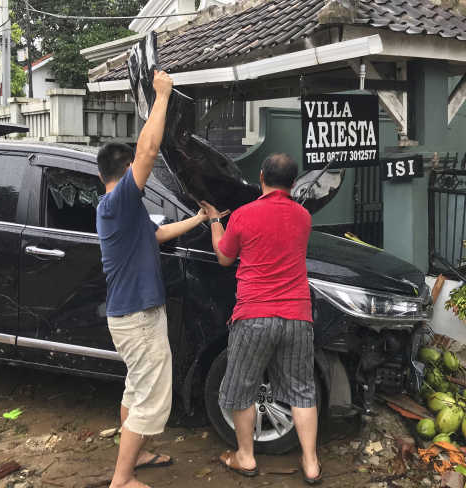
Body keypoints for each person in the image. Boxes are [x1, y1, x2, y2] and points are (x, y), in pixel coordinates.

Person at [96, 70, 211, 488]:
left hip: (132, 316)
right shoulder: (119, 200)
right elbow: (147, 151)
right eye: (135, 171)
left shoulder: (120, 211)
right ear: (124, 171)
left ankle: (138, 455)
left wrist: (197, 219)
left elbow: (157, 234)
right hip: (138, 318)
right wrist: (161, 96)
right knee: (149, 397)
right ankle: (122, 479)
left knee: (135, 389)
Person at [200, 153, 322, 485]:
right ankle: (311, 463)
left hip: (254, 315)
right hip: (297, 315)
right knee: (301, 390)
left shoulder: (243, 215)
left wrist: (214, 221)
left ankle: (246, 456)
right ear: (294, 183)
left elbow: (225, 257)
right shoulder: (303, 217)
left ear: (261, 177)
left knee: (241, 389)